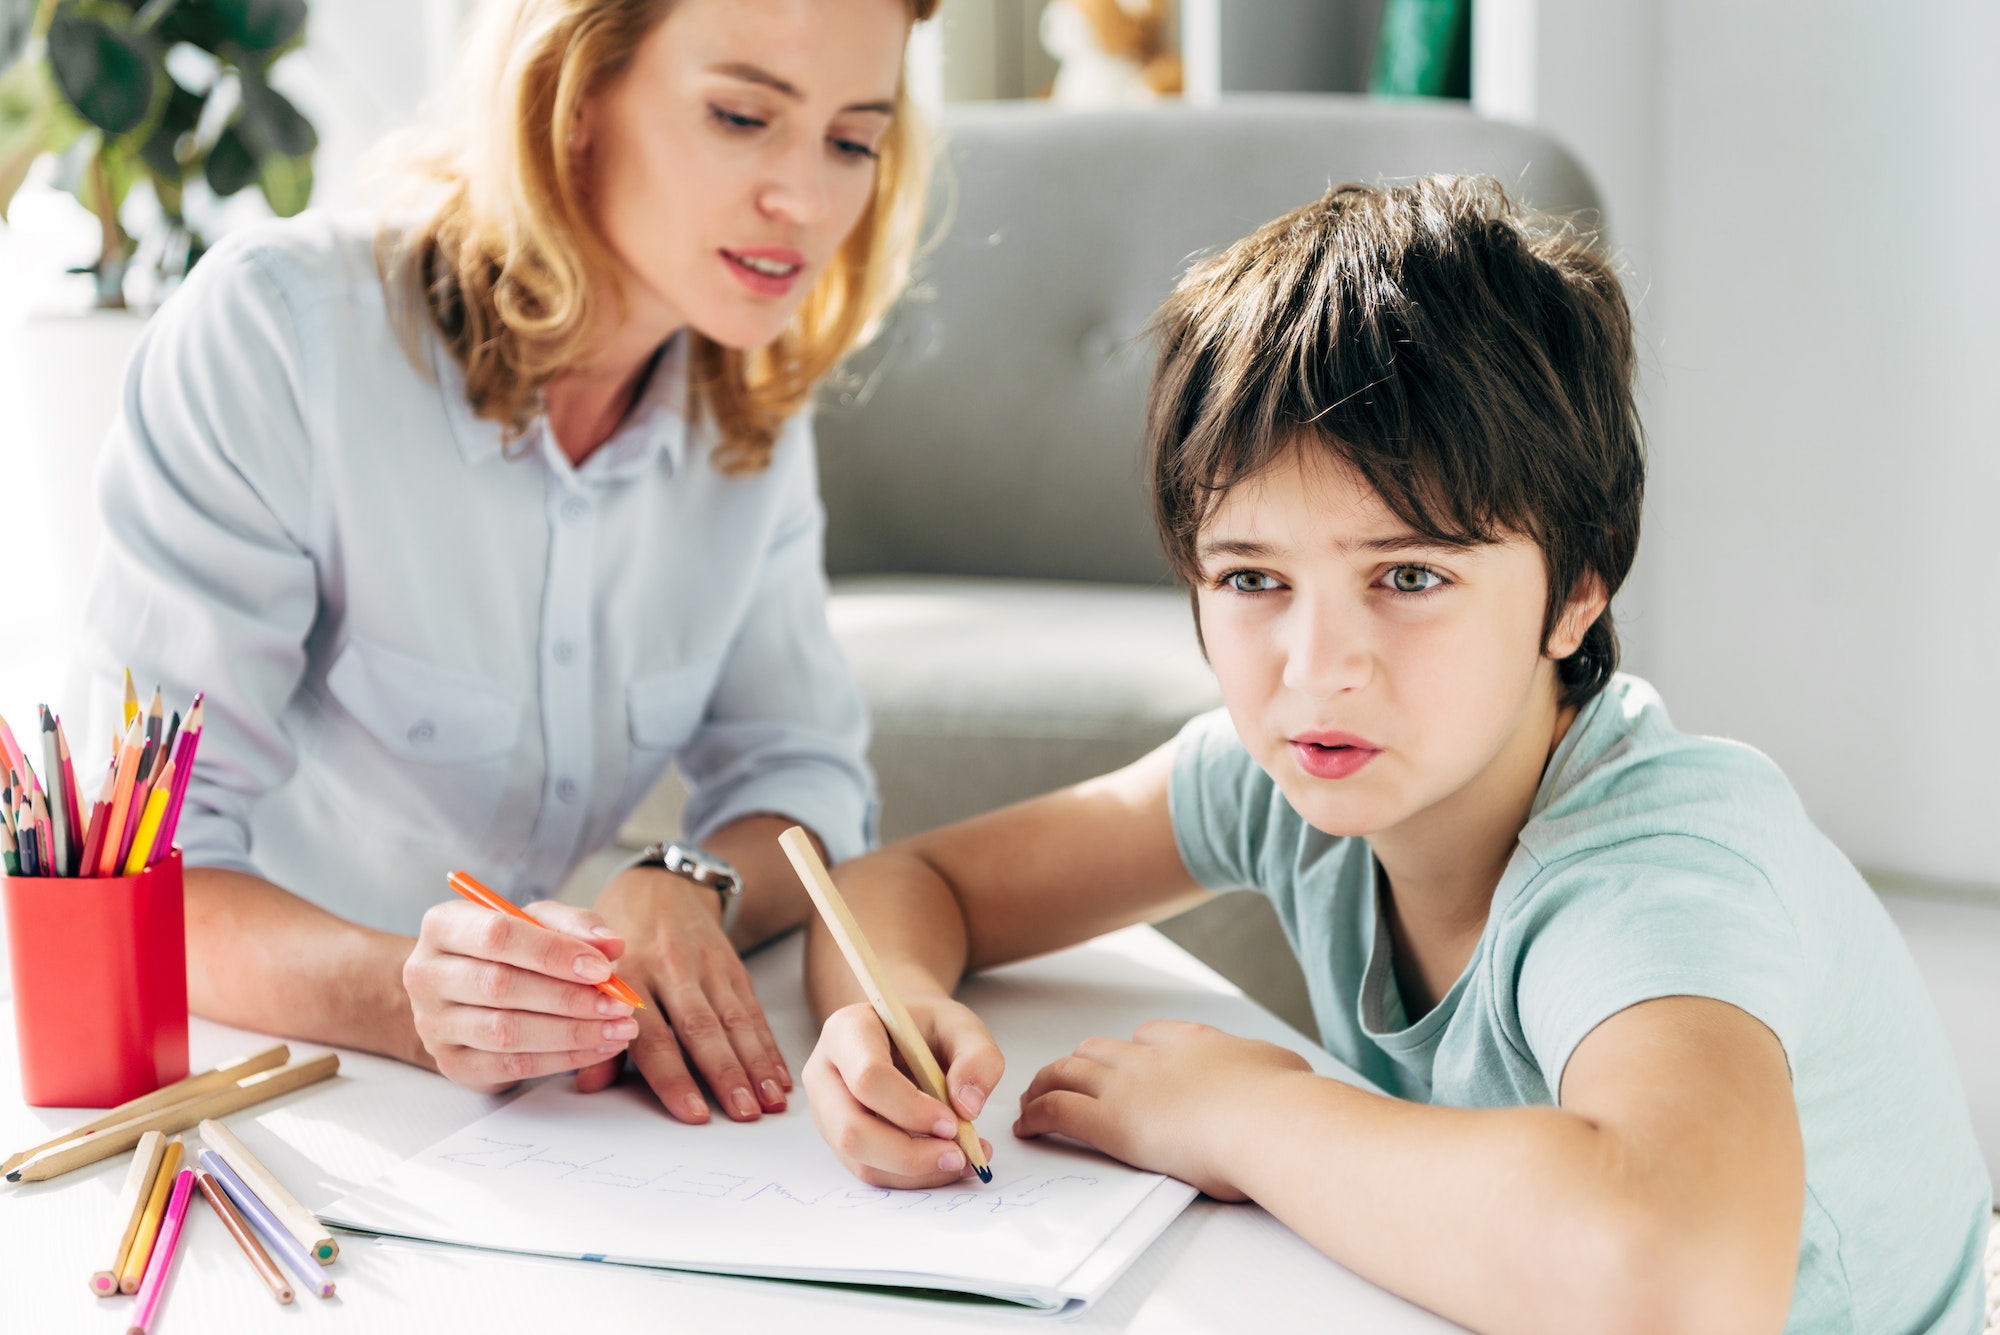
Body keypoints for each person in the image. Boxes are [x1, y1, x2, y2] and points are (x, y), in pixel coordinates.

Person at [800, 177, 1990, 1332]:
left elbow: (1678, 1283)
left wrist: (1245, 1116)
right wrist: (887, 1016)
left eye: (1408, 576)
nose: (1315, 669)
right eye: (1252, 578)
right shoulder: (1288, 765)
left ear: (1576, 591)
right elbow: (911, 887)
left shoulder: (1654, 866)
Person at [78, 0, 936, 1127]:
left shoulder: (747, 401)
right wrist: (409, 999)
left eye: (850, 140)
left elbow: (803, 776)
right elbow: (137, 882)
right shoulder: (275, 339)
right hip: (265, 1101)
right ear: (572, 97)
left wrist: (687, 883)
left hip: (537, 1116)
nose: (808, 202)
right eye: (739, 117)